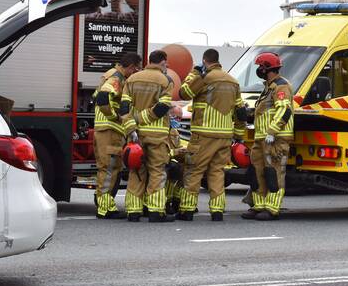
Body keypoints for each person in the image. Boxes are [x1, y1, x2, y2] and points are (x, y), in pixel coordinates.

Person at [176, 48, 247, 221]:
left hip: (203, 134)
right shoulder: (233, 81)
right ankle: (217, 211)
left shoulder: (204, 78)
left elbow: (184, 92)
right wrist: (238, 134)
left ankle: (187, 209)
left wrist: (194, 73)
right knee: (217, 172)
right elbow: (240, 111)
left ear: (204, 61)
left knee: (194, 170)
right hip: (224, 136)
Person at [120, 50, 175, 223]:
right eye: (166, 64)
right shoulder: (166, 81)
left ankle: (133, 212)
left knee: (136, 172)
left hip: (136, 135)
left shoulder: (131, 79)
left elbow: (123, 107)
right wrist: (143, 118)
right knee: (157, 172)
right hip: (157, 135)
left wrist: (131, 128)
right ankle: (156, 211)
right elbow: (163, 107)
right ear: (162, 62)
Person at [243, 52, 294, 221]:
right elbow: (265, 111)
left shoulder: (281, 86)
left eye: (260, 67)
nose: (258, 70)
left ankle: (272, 208)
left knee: (273, 172)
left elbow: (283, 110)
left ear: (267, 68)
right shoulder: (269, 87)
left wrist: (272, 131)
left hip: (275, 138)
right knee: (257, 171)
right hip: (261, 138)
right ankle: (259, 206)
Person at [92, 53, 140, 219]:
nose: (136, 72)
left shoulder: (110, 74)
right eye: (136, 68)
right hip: (110, 129)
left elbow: (95, 96)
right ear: (132, 66)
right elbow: (102, 97)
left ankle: (104, 204)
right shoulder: (117, 77)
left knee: (108, 168)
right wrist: (115, 117)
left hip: (104, 129)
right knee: (110, 168)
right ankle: (105, 209)